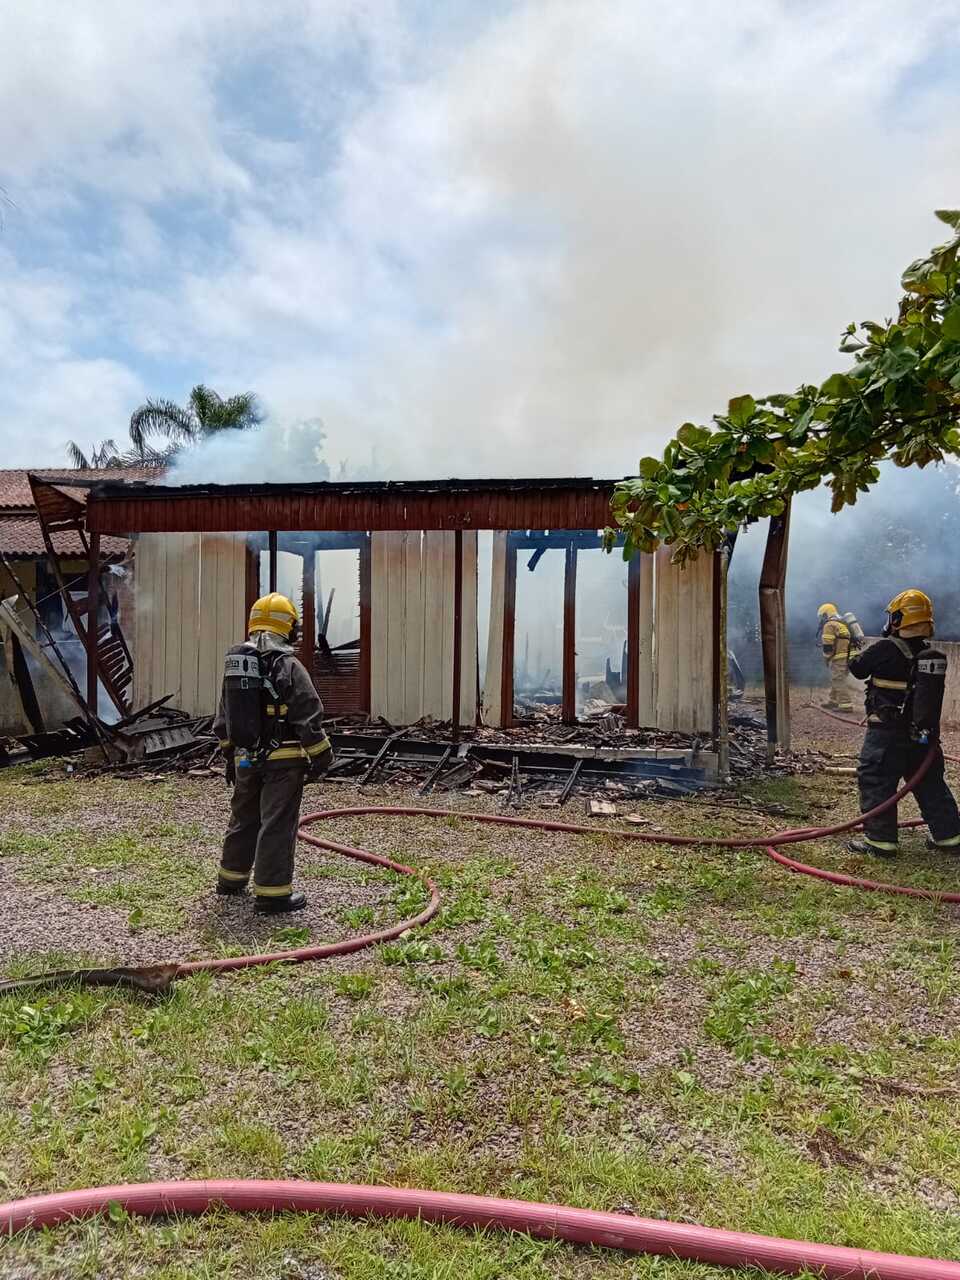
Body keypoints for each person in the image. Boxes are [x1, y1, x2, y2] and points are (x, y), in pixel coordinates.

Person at [213, 592, 334, 912]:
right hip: (284, 761)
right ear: (289, 628)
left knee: (244, 818)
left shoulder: (239, 668)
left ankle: (231, 880)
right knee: (277, 823)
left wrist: (229, 757)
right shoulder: (289, 666)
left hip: (245, 759)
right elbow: (308, 713)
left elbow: (223, 718)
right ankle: (272, 894)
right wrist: (322, 756)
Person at [846, 589, 960, 857]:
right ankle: (949, 837)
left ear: (898, 619)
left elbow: (858, 668)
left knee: (876, 780)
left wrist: (853, 648)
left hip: (887, 734)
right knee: (930, 783)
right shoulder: (928, 654)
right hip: (924, 736)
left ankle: (880, 842)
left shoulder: (885, 648)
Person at [817, 603, 854, 712]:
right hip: (847, 657)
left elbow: (828, 646)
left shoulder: (829, 625)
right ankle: (833, 701)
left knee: (838, 679)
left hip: (840, 657)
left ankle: (845, 705)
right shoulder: (840, 623)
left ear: (826, 614)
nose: (821, 620)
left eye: (822, 616)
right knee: (837, 678)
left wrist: (826, 658)